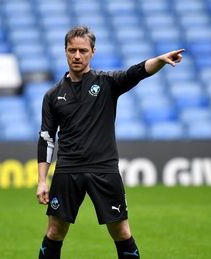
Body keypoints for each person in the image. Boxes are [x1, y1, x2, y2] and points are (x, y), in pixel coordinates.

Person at [36, 25, 184, 259]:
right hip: (67, 170)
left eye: (83, 50)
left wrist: (160, 60)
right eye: (72, 50)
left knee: (121, 230)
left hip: (104, 170)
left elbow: (137, 72)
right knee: (54, 232)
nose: (77, 56)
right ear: (65, 51)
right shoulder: (53, 95)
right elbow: (46, 138)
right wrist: (42, 181)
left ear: (93, 52)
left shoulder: (106, 83)